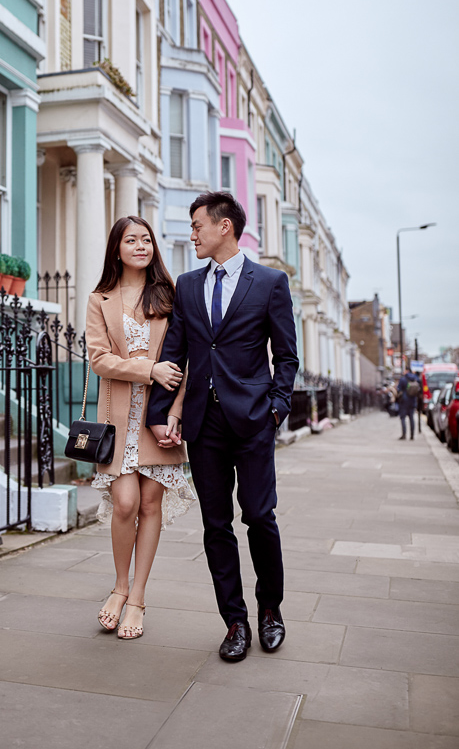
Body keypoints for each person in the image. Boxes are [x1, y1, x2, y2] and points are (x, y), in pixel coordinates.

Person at [147, 191, 298, 663]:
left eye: (197, 226)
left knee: (259, 517)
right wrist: (157, 415)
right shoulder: (187, 286)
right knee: (216, 525)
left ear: (225, 226)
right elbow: (173, 353)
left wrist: (276, 408)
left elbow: (286, 356)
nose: (191, 234)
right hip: (203, 425)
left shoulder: (271, 282)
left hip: (253, 421)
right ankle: (234, 621)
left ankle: (270, 609)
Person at [86, 216, 195, 640]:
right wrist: (148, 368)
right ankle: (119, 584)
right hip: (117, 419)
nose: (140, 245)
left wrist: (177, 414)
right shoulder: (101, 299)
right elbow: (98, 359)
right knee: (125, 504)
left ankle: (137, 598)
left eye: (146, 239)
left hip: (160, 420)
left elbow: (186, 359)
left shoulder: (170, 295)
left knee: (150, 506)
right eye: (131, 239)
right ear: (117, 248)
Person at [396, 365, 421, 440]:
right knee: (411, 418)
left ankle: (404, 434)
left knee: (403, 418)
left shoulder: (403, 379)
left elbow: (399, 389)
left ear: (406, 370)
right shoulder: (415, 378)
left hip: (404, 401)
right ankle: (412, 435)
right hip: (412, 401)